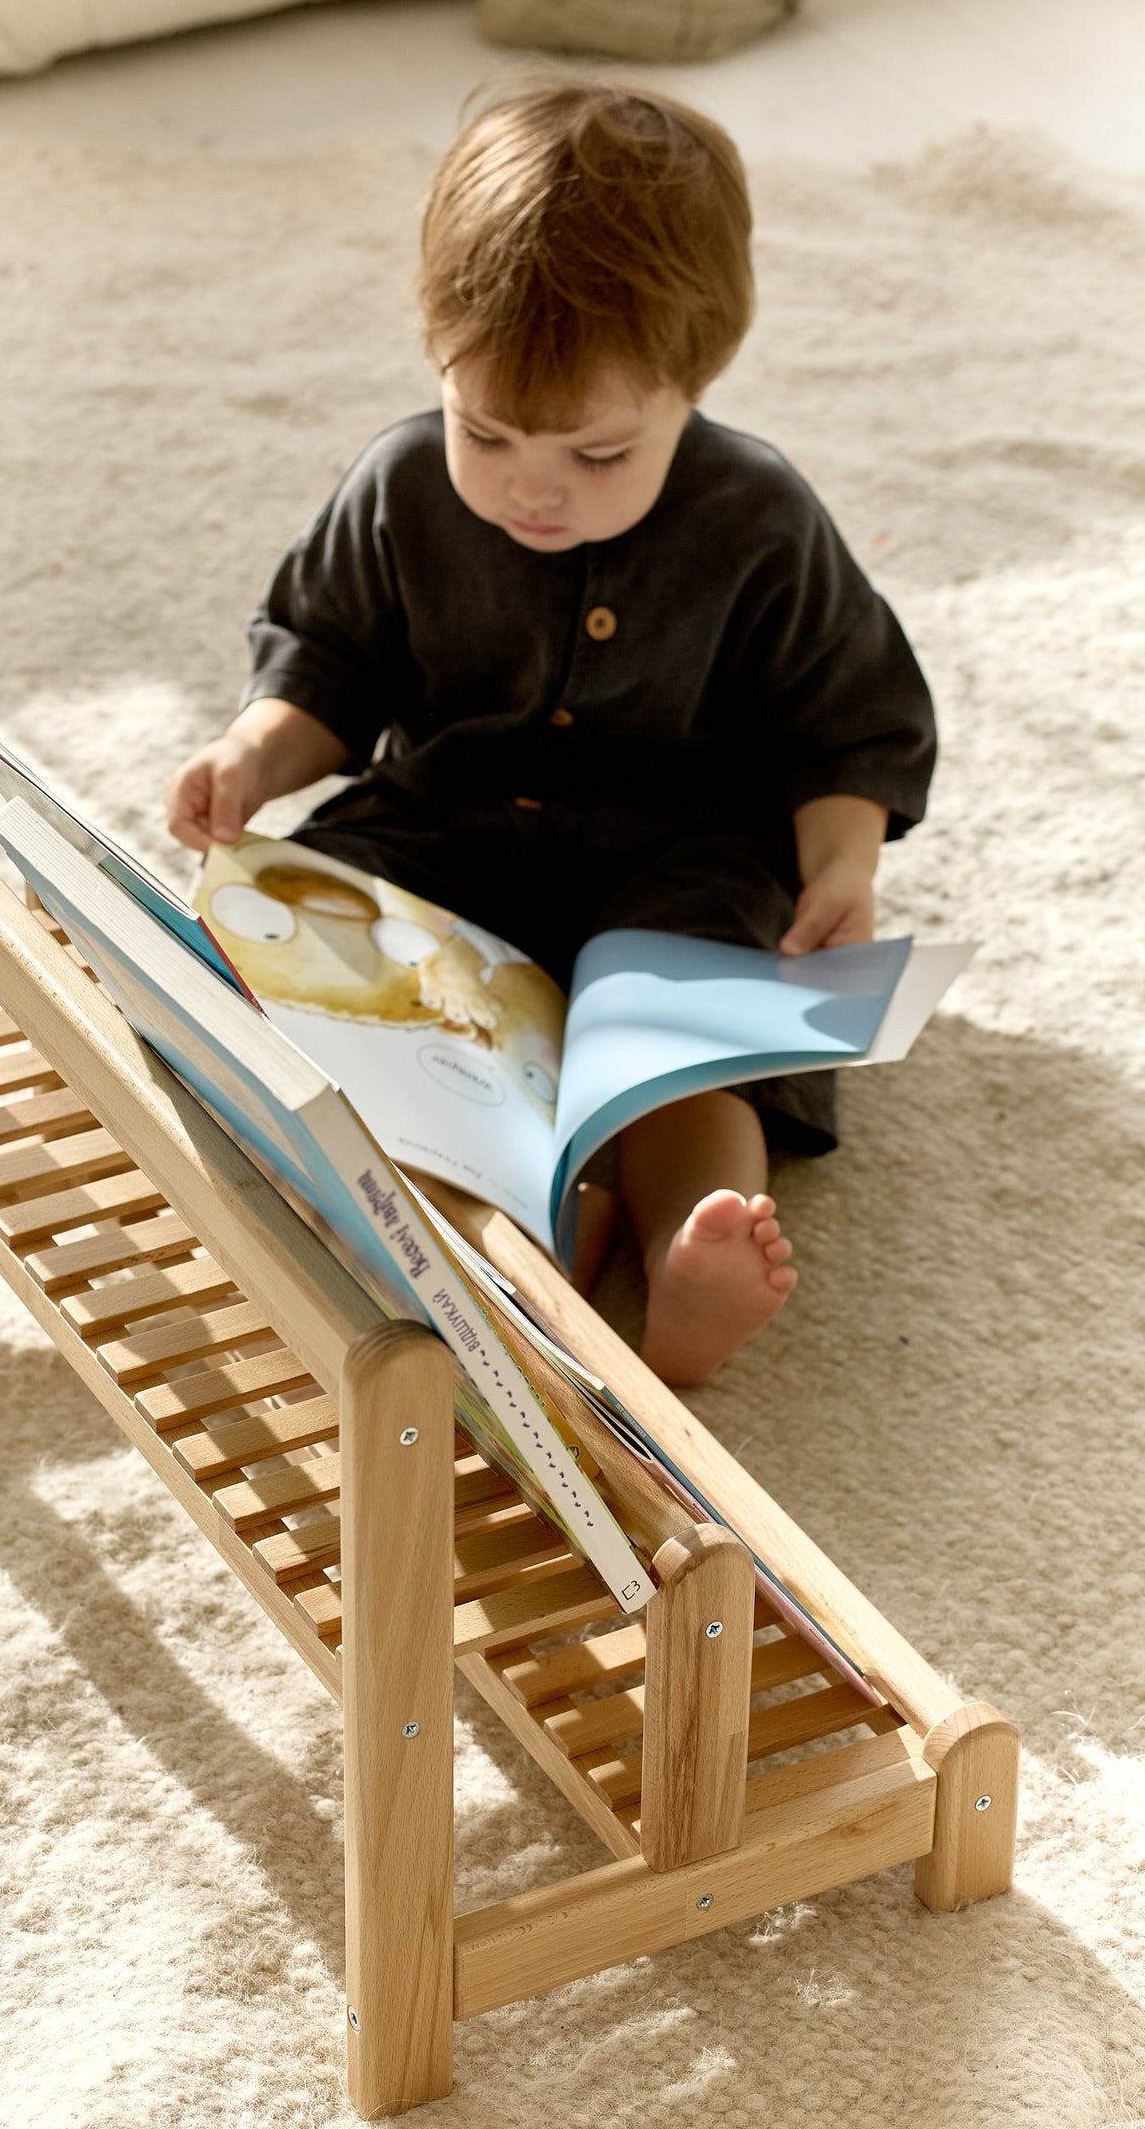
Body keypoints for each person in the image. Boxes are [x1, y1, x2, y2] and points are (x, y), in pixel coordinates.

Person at [164, 79, 935, 1386]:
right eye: (487, 432)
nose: (532, 484)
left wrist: (841, 864)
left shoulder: (756, 518)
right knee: (331, 957)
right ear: (437, 361)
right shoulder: (403, 483)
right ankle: (534, 1219)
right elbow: (331, 663)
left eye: (595, 454)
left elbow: (841, 715)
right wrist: (254, 752)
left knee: (676, 1046)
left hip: (683, 851)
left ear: (693, 382)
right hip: (450, 820)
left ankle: (691, 1234)